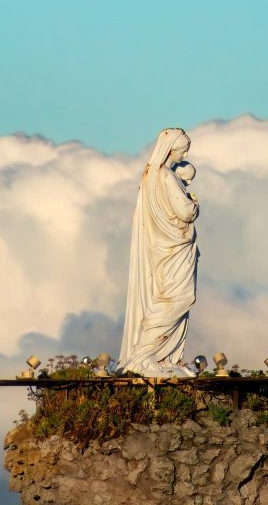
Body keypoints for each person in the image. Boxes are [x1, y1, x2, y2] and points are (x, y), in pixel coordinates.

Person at [116, 128, 199, 377]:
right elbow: (186, 212)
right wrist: (195, 203)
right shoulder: (165, 176)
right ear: (170, 149)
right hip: (172, 249)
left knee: (171, 298)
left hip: (165, 247)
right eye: (183, 149)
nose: (186, 154)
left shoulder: (154, 175)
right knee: (177, 298)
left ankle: (161, 355)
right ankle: (142, 356)